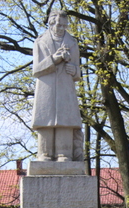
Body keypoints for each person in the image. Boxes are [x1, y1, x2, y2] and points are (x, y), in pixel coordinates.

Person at [31, 10, 84, 162]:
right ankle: (45, 153)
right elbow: (36, 69)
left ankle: (64, 153)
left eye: (64, 25)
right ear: (51, 24)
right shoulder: (40, 42)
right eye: (58, 25)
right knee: (45, 120)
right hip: (46, 87)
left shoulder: (72, 43)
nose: (61, 28)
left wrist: (74, 70)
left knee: (65, 119)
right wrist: (54, 59)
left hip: (65, 87)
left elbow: (77, 70)